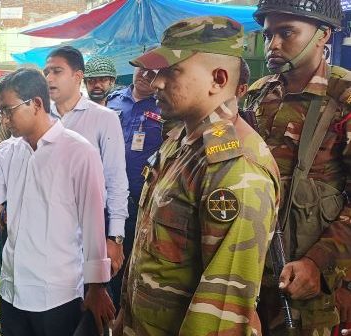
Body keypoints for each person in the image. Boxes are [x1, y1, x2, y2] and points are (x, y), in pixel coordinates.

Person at [115, 16, 281, 335]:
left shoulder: (236, 168)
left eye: (171, 72)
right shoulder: (182, 140)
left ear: (217, 80)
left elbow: (222, 308)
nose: (156, 83)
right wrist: (127, 314)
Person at [0, 68, 114, 335]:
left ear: (36, 104)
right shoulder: (12, 150)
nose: (6, 119)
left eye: (9, 111)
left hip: (56, 293)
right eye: (3, 113)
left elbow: (93, 225)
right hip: (12, 290)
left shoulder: (79, 152)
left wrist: (97, 287)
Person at [245, 0, 351, 333]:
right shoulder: (257, 94)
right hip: (249, 272)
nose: (273, 44)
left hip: (312, 286)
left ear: (324, 35)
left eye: (286, 32)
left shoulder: (344, 97)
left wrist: (318, 262)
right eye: (268, 34)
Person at [44, 46, 129, 283]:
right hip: (48, 222)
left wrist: (115, 237)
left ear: (77, 77)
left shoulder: (104, 118)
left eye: (57, 71)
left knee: (92, 297)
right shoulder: (42, 116)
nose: (49, 78)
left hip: (90, 223)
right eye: (46, 72)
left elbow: (116, 180)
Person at [99, 63, 164, 307]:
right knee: (101, 260)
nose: (145, 76)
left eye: (152, 72)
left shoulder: (163, 106)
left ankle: (121, 314)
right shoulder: (113, 101)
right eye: (141, 70)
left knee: (129, 264)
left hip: (138, 203)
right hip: (105, 198)